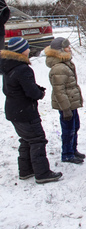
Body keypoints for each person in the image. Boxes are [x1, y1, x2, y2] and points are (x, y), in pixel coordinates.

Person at [0, 37, 62, 184]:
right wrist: (39, 93)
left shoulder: (9, 66)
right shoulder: (23, 69)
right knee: (37, 139)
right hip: (25, 111)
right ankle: (42, 173)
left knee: (26, 139)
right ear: (23, 50)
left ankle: (26, 170)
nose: (29, 49)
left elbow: (13, 88)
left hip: (13, 110)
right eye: (27, 47)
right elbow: (31, 92)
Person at [44, 37, 85, 164]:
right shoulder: (59, 68)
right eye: (67, 47)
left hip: (71, 103)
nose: (70, 49)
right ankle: (67, 153)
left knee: (75, 126)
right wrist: (65, 108)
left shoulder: (65, 63)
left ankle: (73, 149)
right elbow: (59, 91)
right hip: (66, 105)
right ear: (61, 50)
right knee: (68, 130)